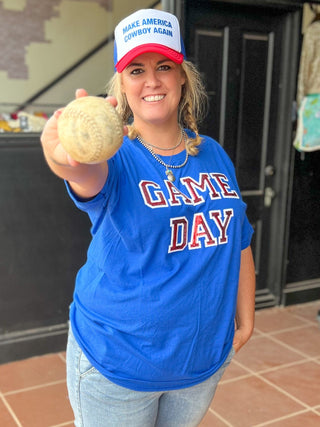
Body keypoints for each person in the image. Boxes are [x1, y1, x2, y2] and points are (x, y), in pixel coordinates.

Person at [40, 8, 255, 427]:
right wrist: (62, 155)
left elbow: (239, 236)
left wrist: (246, 315)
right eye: (136, 69)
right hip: (118, 365)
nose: (152, 81)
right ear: (121, 85)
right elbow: (82, 172)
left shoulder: (212, 152)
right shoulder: (113, 157)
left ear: (182, 77)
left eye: (164, 67)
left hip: (199, 362)